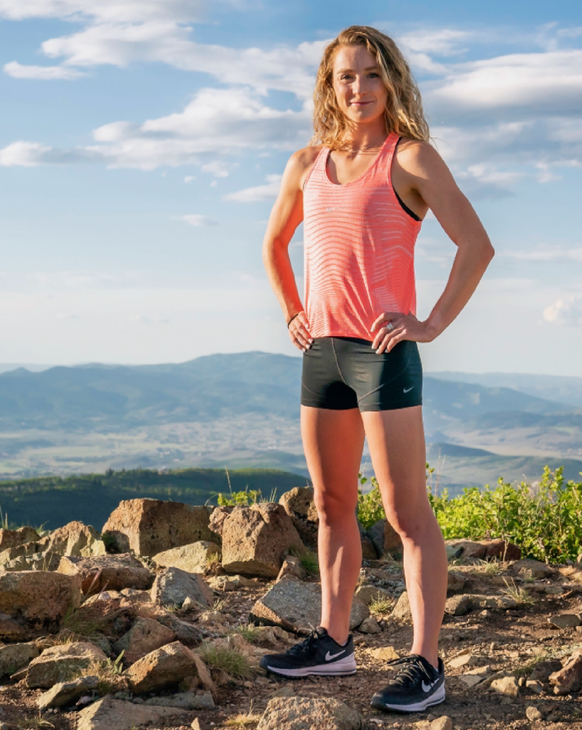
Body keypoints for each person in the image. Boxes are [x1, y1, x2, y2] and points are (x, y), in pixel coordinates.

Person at [260, 25, 494, 713]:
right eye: (344, 77)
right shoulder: (307, 162)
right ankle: (334, 643)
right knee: (331, 505)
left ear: (390, 79)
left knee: (404, 511)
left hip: (382, 354)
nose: (357, 88)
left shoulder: (411, 158)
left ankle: (427, 664)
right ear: (328, 86)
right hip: (322, 352)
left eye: (369, 74)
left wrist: (430, 323)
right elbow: (275, 244)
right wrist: (292, 311)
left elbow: (476, 245)